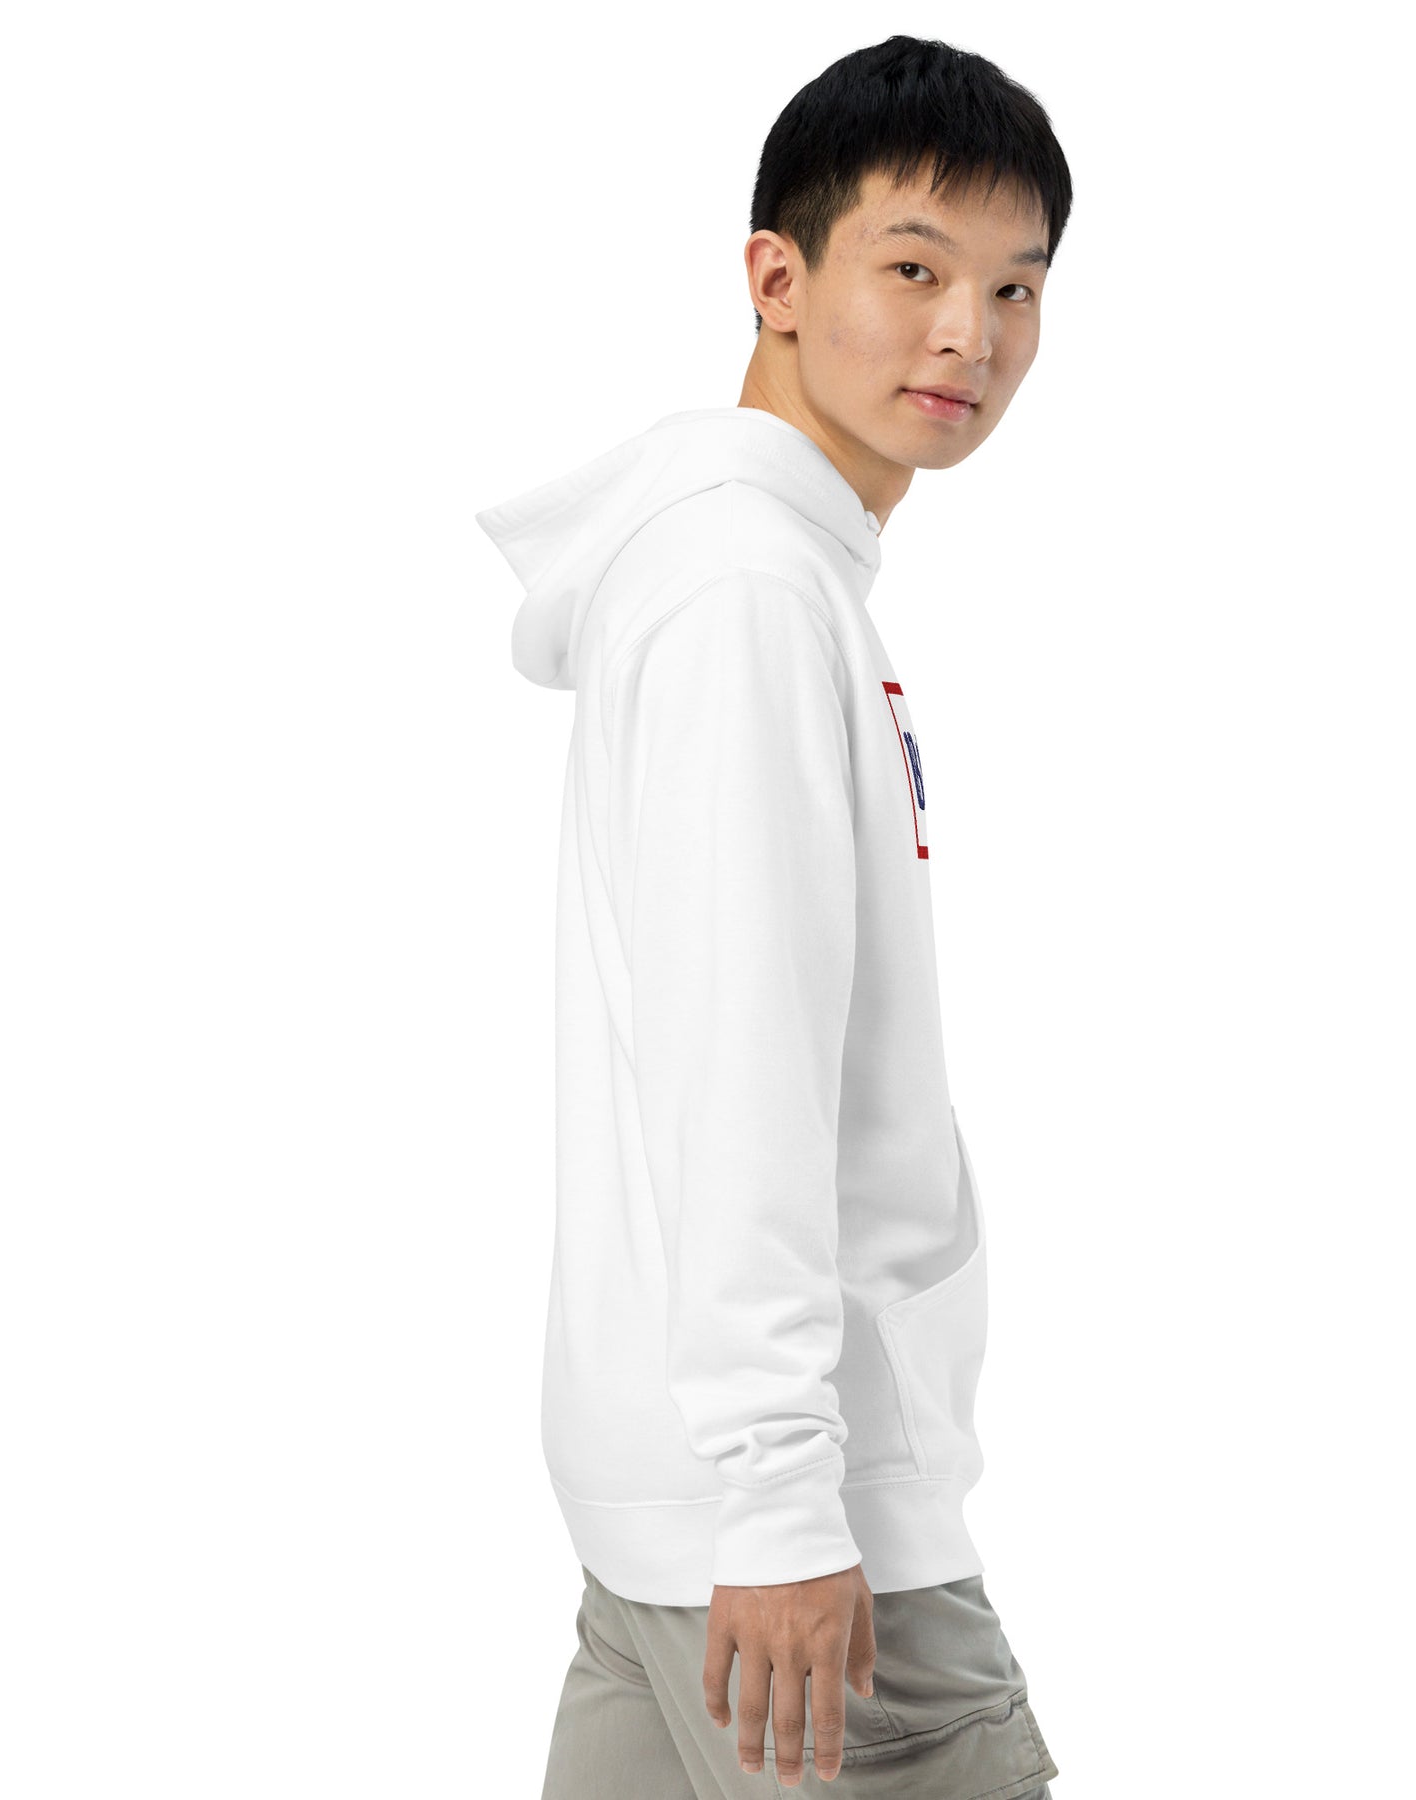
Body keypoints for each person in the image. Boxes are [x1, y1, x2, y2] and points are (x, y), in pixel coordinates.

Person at [476, 34, 1074, 1796]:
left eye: (1016, 287)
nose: (971, 335)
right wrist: (789, 1502)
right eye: (915, 269)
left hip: (669, 1518)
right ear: (777, 279)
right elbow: (740, 1060)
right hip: (806, 1544)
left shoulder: (757, 571)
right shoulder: (746, 589)